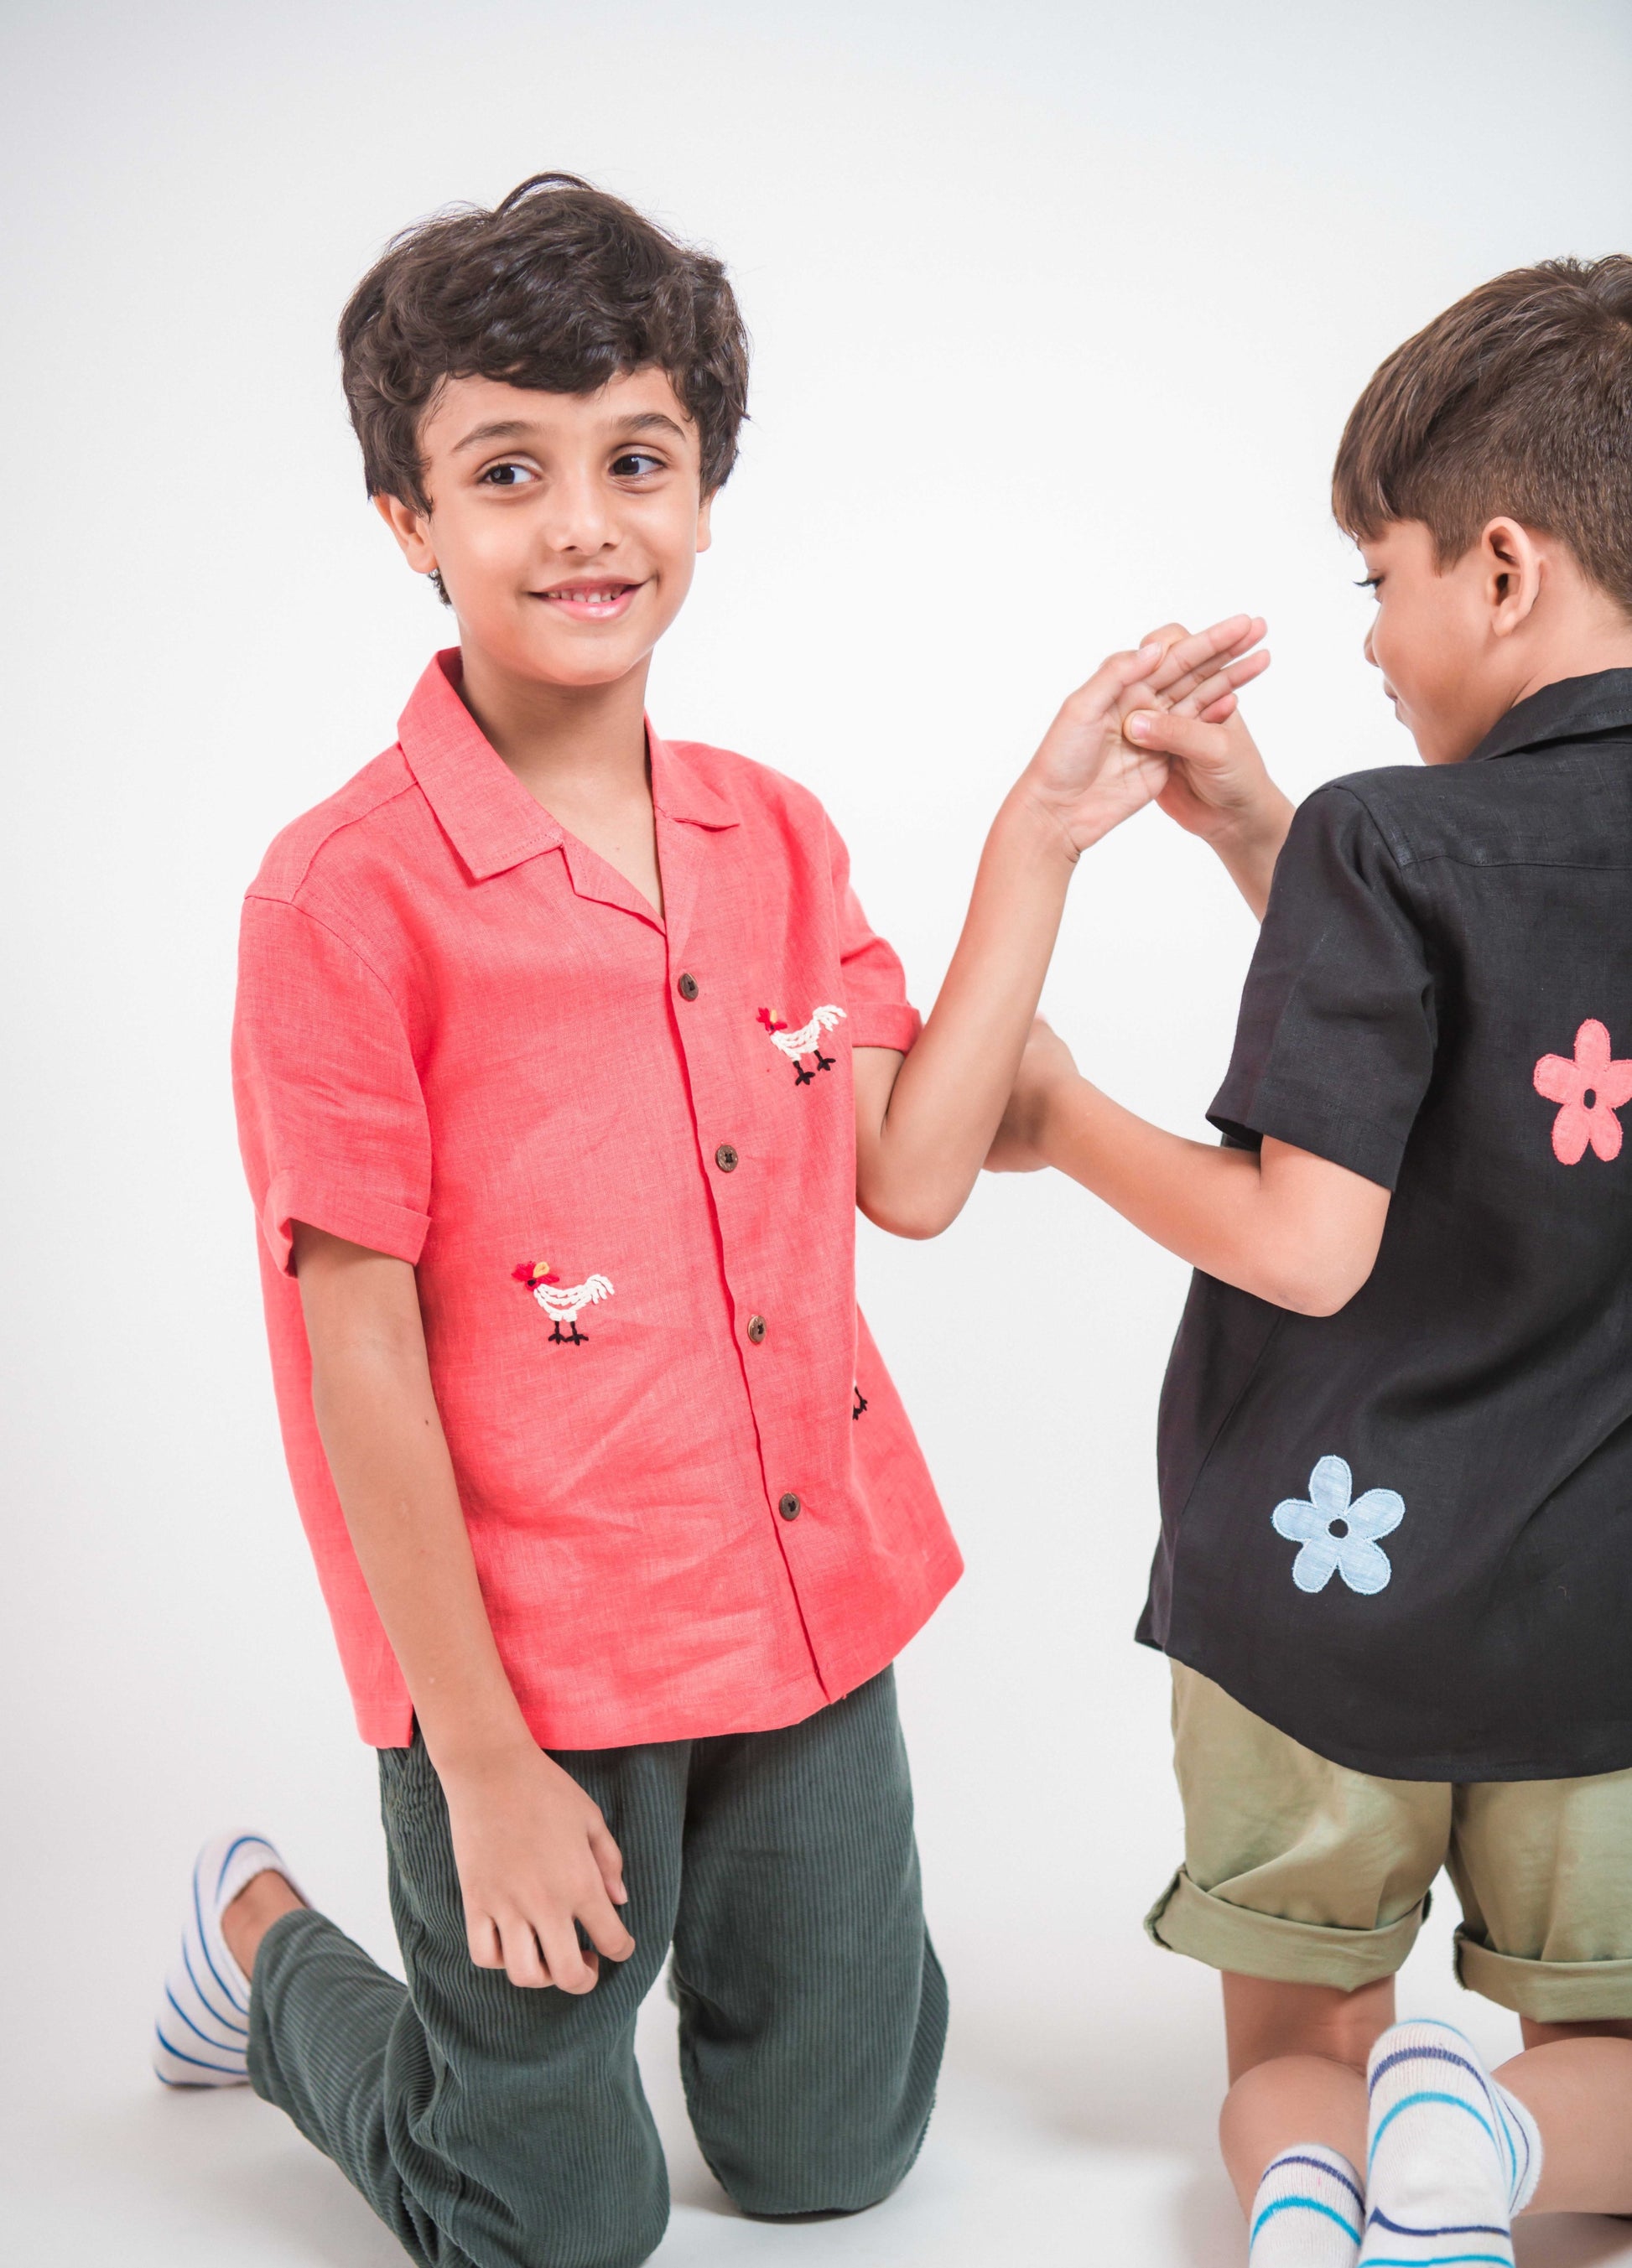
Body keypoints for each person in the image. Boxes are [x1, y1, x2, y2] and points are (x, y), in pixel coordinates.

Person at [152, 171, 1265, 2268]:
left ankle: (720, 2015)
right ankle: (265, 1945)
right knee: (550, 2228)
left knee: (834, 2159)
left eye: (635, 461)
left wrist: (1037, 841)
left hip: (807, 1608)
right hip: (534, 1668)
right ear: (411, 523)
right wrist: (472, 1754)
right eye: (510, 471)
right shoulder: (343, 895)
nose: (584, 523)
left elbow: (913, 1174)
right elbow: (352, 1340)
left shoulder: (772, 831)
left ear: (704, 489)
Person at [992, 255, 1632, 2265]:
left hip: (1322, 1592)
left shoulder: (1397, 835)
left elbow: (1305, 1240)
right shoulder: (1369, 841)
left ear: (1503, 570)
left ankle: (1308, 2187)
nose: (1366, 634)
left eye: (1380, 575)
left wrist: (1062, 1115)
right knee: (1603, 2055)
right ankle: (1490, 2156)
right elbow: (1510, 1075)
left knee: (1293, 2037)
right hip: (1593, 1611)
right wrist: (1262, 826)